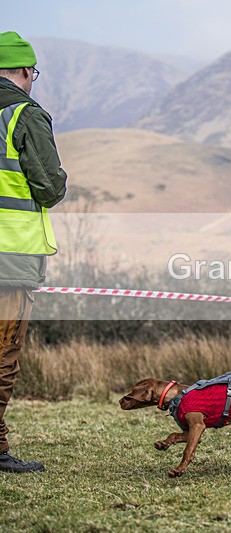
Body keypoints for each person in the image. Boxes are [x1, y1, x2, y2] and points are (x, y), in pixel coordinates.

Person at [0, 32, 67, 473]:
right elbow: (49, 186)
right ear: (25, 71)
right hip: (8, 258)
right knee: (2, 355)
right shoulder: (24, 114)